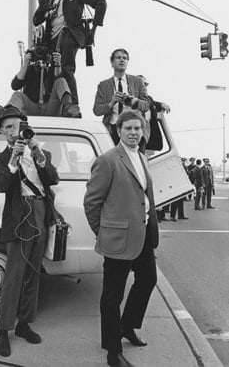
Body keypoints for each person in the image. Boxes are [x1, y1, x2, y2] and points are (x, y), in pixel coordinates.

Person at [84, 110, 158, 367]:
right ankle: (112, 350)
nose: (134, 132)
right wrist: (103, 233)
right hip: (117, 239)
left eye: (138, 128)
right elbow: (92, 203)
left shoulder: (143, 157)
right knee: (112, 295)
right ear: (118, 130)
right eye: (128, 128)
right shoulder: (108, 160)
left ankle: (127, 325)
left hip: (143, 234)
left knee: (148, 279)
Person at [0, 106, 59, 357]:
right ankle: (2, 330)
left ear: (25, 127)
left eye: (16, 126)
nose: (13, 132)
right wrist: (12, 162)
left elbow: (52, 179)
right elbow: (1, 186)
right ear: (1, 132)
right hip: (19, 217)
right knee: (14, 275)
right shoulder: (1, 158)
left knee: (33, 271)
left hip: (39, 211)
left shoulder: (40, 151)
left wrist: (38, 154)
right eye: (7, 127)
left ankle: (23, 323)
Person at [33, 0, 107, 106]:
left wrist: (94, 29)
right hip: (52, 40)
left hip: (69, 33)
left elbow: (100, 2)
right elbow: (36, 21)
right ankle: (56, 107)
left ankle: (73, 106)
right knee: (51, 74)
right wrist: (41, 5)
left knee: (66, 68)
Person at [0, 50, 80, 118]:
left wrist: (57, 63)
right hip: (33, 108)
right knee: (17, 95)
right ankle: (7, 113)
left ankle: (69, 108)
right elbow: (15, 85)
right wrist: (26, 63)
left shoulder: (53, 68)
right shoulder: (30, 70)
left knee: (61, 81)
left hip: (51, 108)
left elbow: (59, 78)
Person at [93, 49, 149, 146]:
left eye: (125, 58)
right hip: (112, 130)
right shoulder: (103, 85)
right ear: (112, 63)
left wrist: (134, 101)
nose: (122, 60)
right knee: (114, 160)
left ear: (127, 62)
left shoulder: (138, 82)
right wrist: (111, 104)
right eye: (118, 58)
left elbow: (146, 106)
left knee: (135, 160)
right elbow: (96, 110)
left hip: (134, 129)